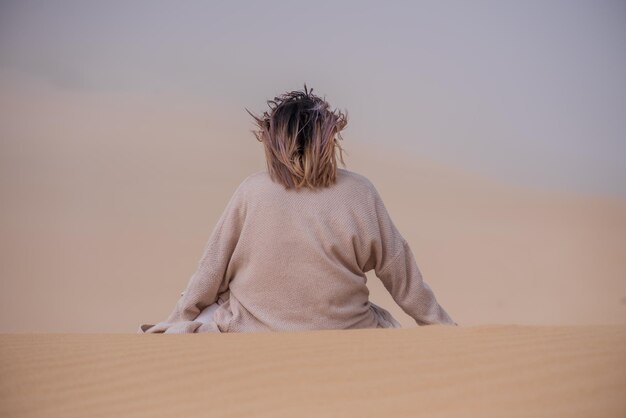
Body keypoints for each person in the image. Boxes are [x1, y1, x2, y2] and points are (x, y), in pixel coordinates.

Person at [138, 84, 457, 334]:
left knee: (211, 314)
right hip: (346, 328)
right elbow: (401, 275)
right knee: (387, 325)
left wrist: (175, 320)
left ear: (273, 142)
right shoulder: (359, 191)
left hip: (252, 327)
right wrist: (442, 327)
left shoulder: (253, 190)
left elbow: (211, 271)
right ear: (329, 139)